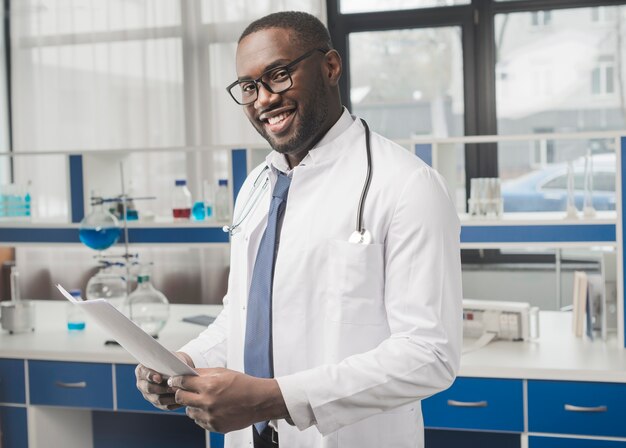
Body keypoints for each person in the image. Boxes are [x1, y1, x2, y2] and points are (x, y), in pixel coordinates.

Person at [135, 10, 462, 448]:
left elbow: (430, 356)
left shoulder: (406, 186)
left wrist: (273, 398)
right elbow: (243, 317)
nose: (264, 99)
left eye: (279, 75)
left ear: (330, 67)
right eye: (249, 87)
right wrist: (184, 362)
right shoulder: (256, 186)